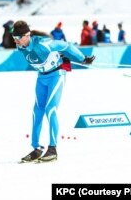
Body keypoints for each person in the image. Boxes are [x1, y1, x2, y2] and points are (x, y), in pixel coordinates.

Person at [12, 20, 95, 163]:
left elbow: (66, 46)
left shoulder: (43, 44)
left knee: (51, 110)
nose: (16, 41)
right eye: (14, 38)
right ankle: (37, 148)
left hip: (56, 76)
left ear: (27, 35)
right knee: (37, 111)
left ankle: (52, 149)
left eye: (18, 38)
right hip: (41, 78)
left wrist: (83, 59)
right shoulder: (21, 47)